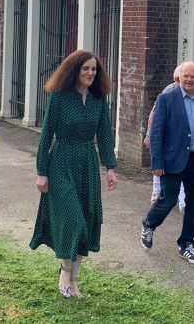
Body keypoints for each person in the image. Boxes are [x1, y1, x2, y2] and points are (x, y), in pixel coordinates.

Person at [29, 49, 118, 298]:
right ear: (75, 70)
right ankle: (65, 271)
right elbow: (46, 136)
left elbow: (105, 136)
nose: (90, 73)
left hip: (87, 163)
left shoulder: (99, 100)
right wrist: (41, 172)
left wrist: (110, 167)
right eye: (85, 68)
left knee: (87, 220)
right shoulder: (59, 97)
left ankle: (74, 279)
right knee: (73, 219)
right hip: (61, 162)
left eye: (94, 69)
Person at [140, 61, 194, 265]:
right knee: (168, 199)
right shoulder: (166, 99)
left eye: (193, 76)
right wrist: (157, 162)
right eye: (186, 76)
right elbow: (156, 133)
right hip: (172, 160)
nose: (189, 80)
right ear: (179, 77)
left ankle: (186, 244)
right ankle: (149, 224)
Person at [144, 65, 186, 212]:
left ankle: (183, 200)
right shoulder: (168, 92)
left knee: (182, 166)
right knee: (159, 162)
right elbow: (154, 114)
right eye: (176, 79)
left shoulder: (192, 94)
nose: (177, 83)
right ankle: (156, 192)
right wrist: (149, 134)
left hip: (180, 136)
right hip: (165, 133)